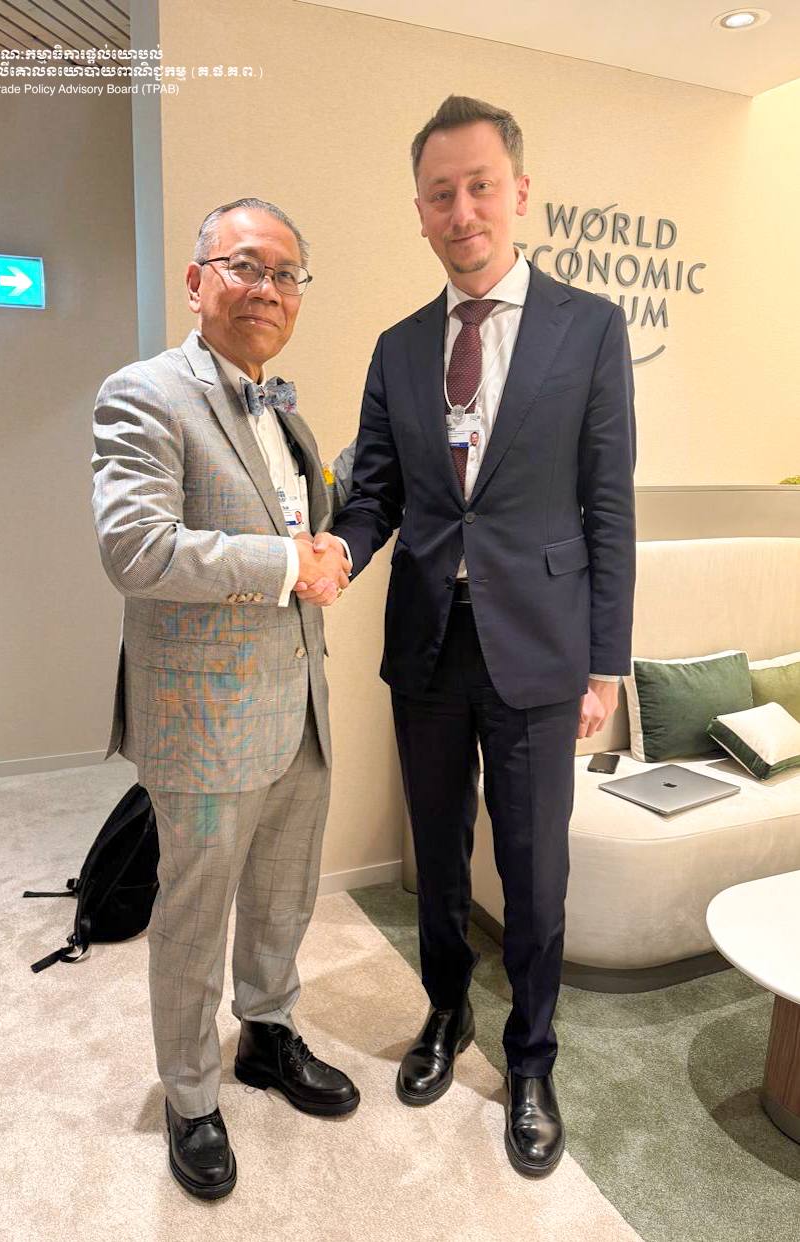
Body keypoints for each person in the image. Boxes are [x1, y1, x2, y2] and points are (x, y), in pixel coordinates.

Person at [308, 96, 636, 1176]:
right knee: (437, 855)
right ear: (418, 211)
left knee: (534, 872)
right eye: (440, 194)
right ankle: (444, 1012)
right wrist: (338, 550)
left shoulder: (589, 328)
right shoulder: (399, 347)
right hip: (428, 642)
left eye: (479, 187)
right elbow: (375, 493)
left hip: (540, 645)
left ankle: (530, 1059)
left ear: (519, 193)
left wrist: (605, 663)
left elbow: (607, 507)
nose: (462, 211)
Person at [91, 198, 357, 1202]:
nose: (266, 289)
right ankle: (190, 1095)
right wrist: (289, 564)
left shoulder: (285, 410)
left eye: (285, 274)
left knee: (285, 896)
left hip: (299, 706)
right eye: (244, 265)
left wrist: (327, 551)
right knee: (194, 915)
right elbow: (137, 549)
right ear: (196, 279)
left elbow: (303, 530)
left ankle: (267, 1036)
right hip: (203, 722)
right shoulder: (144, 394)